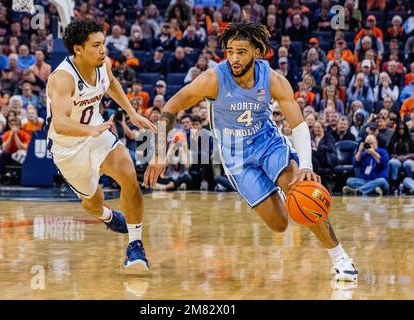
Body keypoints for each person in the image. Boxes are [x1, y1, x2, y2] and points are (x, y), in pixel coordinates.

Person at [144, 21, 357, 282]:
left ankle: (340, 258)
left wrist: (306, 167)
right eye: (230, 51)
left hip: (268, 143)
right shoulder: (213, 79)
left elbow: (299, 124)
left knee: (302, 192)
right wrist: (158, 151)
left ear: (257, 52)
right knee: (280, 224)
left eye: (241, 52)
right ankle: (278, 189)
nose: (234, 57)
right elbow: (171, 106)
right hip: (236, 157)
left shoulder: (272, 79)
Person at [46, 19, 157, 272]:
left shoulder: (103, 64)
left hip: (97, 133)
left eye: (103, 44)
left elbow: (111, 82)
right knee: (93, 201)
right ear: (78, 49)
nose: (103, 50)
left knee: (128, 174)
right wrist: (88, 130)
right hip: (67, 148)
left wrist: (130, 112)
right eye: (96, 45)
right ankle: (106, 216)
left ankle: (135, 246)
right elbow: (60, 123)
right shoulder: (62, 79)